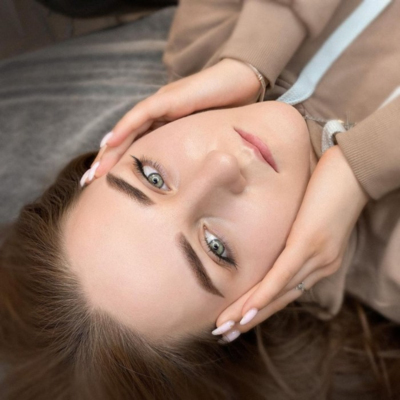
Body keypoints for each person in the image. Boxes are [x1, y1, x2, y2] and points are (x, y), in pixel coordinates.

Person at [1, 1, 399, 400]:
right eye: (215, 247)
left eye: (152, 177)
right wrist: (362, 166)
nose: (221, 167)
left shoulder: (203, 36)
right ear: (258, 307)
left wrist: (254, 54)